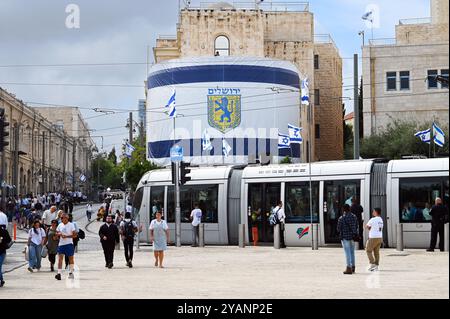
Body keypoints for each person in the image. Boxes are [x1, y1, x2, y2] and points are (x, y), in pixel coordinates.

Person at [337, 204, 359, 275]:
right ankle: (353, 267)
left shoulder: (341, 218)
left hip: (345, 237)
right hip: (352, 237)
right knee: (352, 252)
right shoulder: (354, 216)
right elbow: (356, 226)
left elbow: (338, 229)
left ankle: (348, 268)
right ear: (349, 209)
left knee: (347, 253)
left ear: (343, 210)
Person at [55, 213, 77, 280]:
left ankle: (71, 272)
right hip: (61, 244)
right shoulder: (60, 225)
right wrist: (59, 234)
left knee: (70, 258)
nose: (62, 219)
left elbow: (75, 235)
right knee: (60, 259)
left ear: (67, 218)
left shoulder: (71, 225)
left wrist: (66, 236)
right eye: (61, 218)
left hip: (69, 244)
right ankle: (59, 273)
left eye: (63, 218)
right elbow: (56, 232)